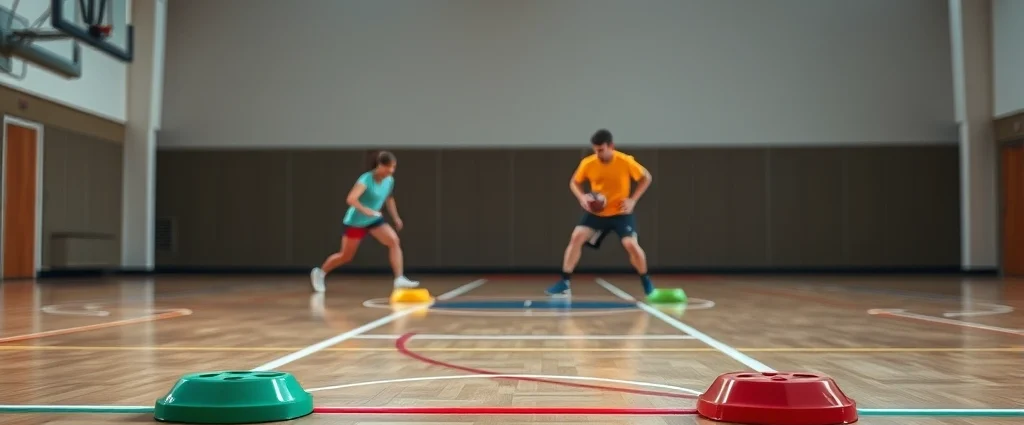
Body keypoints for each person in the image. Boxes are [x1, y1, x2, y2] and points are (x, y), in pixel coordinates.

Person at [546, 129, 654, 297]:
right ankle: (564, 282)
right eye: (595, 150)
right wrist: (582, 197)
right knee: (576, 237)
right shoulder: (588, 163)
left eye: (601, 150)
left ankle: (646, 282)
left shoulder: (625, 161)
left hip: (620, 213)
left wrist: (633, 200)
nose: (598, 154)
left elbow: (646, 177)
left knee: (631, 245)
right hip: (597, 213)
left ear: (611, 146)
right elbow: (574, 182)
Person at [310, 151, 419, 292]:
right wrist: (365, 210)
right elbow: (351, 199)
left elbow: (389, 198)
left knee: (393, 241)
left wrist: (396, 217)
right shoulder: (366, 179)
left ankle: (399, 279)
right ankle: (320, 273)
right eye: (388, 167)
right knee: (345, 256)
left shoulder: (389, 180)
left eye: (393, 167)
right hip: (356, 222)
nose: (391, 171)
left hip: (374, 220)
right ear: (379, 166)